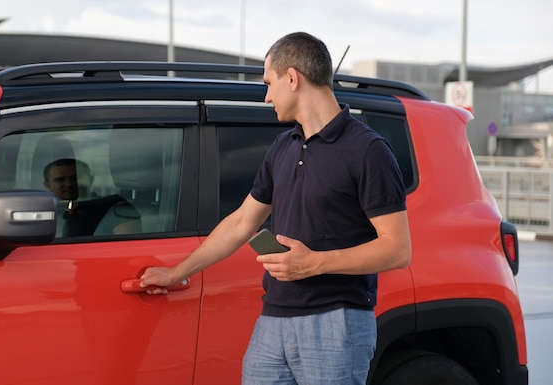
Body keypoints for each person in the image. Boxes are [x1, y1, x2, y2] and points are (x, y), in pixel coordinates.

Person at [140, 32, 412, 385]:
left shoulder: (368, 150)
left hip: (336, 322)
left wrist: (314, 263)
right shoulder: (283, 146)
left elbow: (397, 248)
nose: (266, 95)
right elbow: (241, 222)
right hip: (274, 318)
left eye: (269, 83)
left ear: (293, 78)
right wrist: (177, 273)